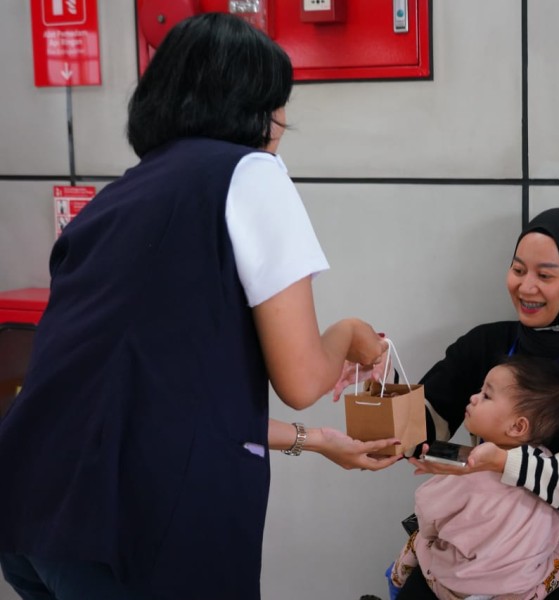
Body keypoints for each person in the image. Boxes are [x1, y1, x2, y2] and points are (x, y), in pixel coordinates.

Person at [0, 13, 399, 600]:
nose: (283, 126)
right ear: (259, 108)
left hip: (32, 512)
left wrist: (315, 442)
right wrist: (349, 334)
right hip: (141, 530)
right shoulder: (253, 173)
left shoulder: (116, 200)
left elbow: (158, 399)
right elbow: (300, 378)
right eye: (280, 108)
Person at [389, 207, 559, 599]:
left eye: (545, 275)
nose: (526, 287)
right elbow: (419, 429)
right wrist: (381, 388)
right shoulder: (485, 343)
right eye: (518, 269)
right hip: (487, 536)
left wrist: (506, 462)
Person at [390, 355, 559, 600]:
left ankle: (395, 581)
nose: (473, 397)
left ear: (518, 426)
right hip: (523, 591)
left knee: (419, 540)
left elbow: (428, 516)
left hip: (453, 589)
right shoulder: (550, 467)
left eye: (486, 395)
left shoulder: (465, 469)